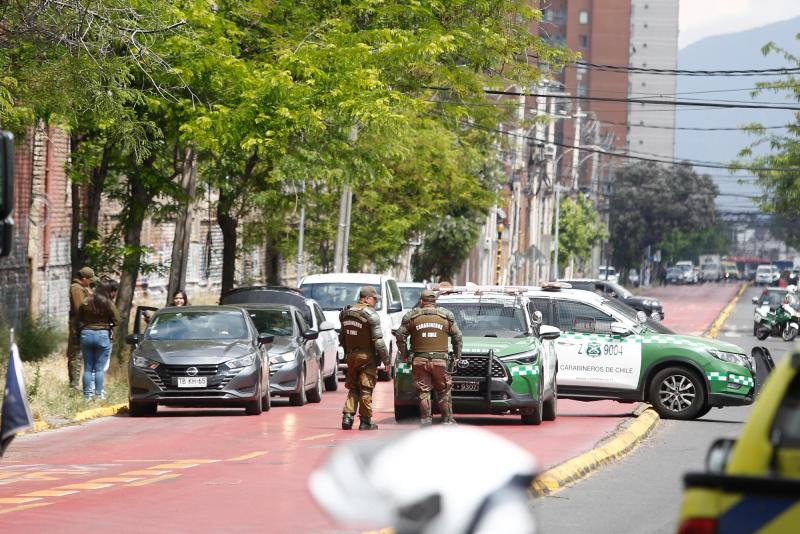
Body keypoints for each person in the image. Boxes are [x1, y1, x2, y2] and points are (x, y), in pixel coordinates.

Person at [394, 289, 463, 426]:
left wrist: (405, 354)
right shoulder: (445, 316)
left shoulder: (412, 317)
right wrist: (457, 355)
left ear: (421, 301)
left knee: (423, 391)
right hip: (440, 361)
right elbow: (458, 337)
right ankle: (447, 420)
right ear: (434, 302)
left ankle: (426, 420)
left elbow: (400, 336)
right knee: (444, 391)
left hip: (419, 361)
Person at [339, 286, 390, 431]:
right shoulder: (370, 314)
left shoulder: (346, 313)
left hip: (351, 356)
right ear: (366, 298)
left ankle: (347, 418)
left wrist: (348, 353)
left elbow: (341, 337)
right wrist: (386, 360)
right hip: (367, 357)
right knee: (366, 388)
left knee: (353, 387)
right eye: (374, 299)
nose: (376, 302)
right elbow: (378, 341)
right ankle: (365, 421)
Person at [77, 280, 121, 400]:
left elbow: (79, 317)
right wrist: (108, 324)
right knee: (99, 369)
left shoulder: (86, 301)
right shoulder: (108, 303)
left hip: (86, 334)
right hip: (102, 335)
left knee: (88, 368)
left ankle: (87, 396)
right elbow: (117, 320)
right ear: (108, 291)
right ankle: (99, 394)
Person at [67, 266, 95, 390]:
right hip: (78, 325)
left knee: (79, 354)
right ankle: (74, 386)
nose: (91, 282)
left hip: (82, 324)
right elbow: (80, 308)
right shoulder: (76, 288)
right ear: (83, 278)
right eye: (89, 280)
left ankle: (76, 385)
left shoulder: (82, 288)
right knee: (75, 354)